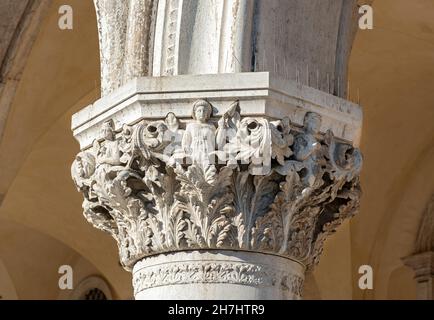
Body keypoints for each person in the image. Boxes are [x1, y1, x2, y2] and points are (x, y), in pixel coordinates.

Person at [181, 100, 216, 168]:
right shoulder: (191, 126)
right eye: (199, 111)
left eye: (204, 111)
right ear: (195, 113)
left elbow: (215, 142)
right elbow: (186, 141)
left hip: (208, 151)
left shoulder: (211, 127)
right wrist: (188, 152)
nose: (202, 113)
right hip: (194, 151)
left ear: (207, 114)